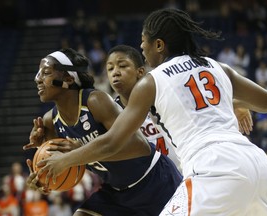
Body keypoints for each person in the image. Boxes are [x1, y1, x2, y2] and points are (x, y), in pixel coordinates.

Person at [34, 9, 267, 215]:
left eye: (143, 41)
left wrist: (65, 160)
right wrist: (235, 102)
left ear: (159, 45)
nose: (142, 48)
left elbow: (115, 140)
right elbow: (265, 103)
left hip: (212, 168)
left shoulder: (152, 81)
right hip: (257, 163)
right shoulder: (218, 66)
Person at [23, 47, 182, 216]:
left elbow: (139, 146)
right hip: (116, 193)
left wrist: (78, 152)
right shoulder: (50, 121)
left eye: (46, 72)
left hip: (155, 181)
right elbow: (66, 171)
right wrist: (43, 177)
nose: (37, 79)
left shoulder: (95, 101)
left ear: (68, 78)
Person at [105, 44, 254, 171]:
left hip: (185, 172)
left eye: (122, 66)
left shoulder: (162, 94)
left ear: (140, 71)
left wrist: (235, 103)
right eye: (110, 69)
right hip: (147, 184)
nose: (115, 73)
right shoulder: (110, 112)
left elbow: (198, 104)